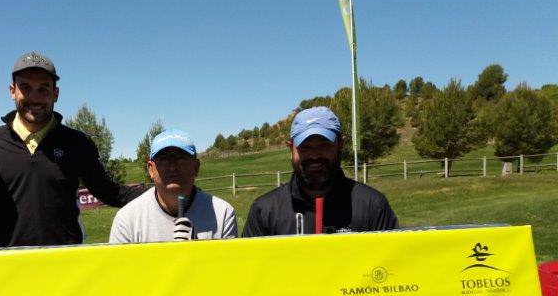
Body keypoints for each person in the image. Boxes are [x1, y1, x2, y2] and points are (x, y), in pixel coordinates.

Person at [0, 52, 142, 246]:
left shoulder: (77, 142)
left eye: (43, 89)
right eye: (25, 88)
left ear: (56, 94)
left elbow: (110, 192)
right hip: (7, 265)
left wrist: (158, 194)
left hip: (65, 262)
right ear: (12, 91)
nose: (34, 98)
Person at [242, 106, 398, 236]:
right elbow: (247, 269)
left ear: (341, 144)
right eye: (305, 147)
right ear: (291, 148)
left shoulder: (373, 206)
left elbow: (393, 268)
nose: (315, 155)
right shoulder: (265, 210)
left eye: (324, 145)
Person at [109, 129, 236, 243]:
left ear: (196, 167)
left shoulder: (222, 214)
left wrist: (196, 250)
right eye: (164, 159)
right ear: (151, 169)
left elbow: (228, 267)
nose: (172, 166)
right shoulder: (127, 220)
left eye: (181, 158)